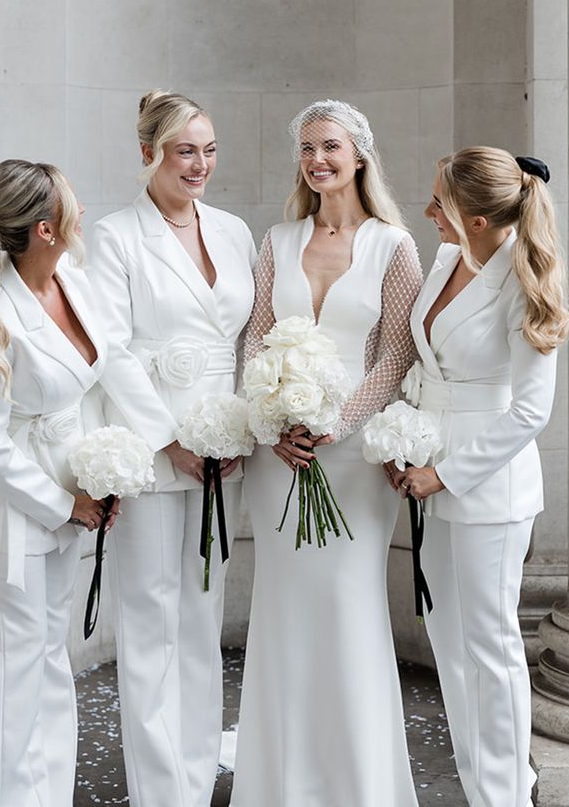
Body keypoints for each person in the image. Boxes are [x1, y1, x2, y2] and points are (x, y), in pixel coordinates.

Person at [0, 159, 175, 807]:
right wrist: (66, 502)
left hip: (70, 502)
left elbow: (104, 370)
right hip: (4, 512)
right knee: (14, 677)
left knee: (49, 665)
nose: (84, 213)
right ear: (44, 228)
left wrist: (115, 465)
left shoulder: (72, 277)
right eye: (72, 205)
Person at [230, 99, 423, 807]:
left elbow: (397, 351)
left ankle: (357, 785)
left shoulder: (393, 245)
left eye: (330, 146)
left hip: (349, 457)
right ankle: (280, 784)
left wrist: (334, 420)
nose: (317, 160)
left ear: (359, 155)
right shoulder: (277, 240)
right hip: (279, 455)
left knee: (347, 605)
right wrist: (273, 413)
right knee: (283, 607)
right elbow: (254, 336)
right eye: (307, 148)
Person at [87, 91, 256, 807]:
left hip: (228, 447)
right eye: (186, 150)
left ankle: (193, 776)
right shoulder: (115, 236)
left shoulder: (234, 230)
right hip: (156, 447)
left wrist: (247, 423)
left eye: (210, 149)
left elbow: (250, 338)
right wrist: (169, 438)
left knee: (201, 619)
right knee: (152, 619)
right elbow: (111, 350)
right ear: (148, 152)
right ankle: (160, 793)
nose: (201, 164)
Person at [392, 146, 569, 807]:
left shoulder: (524, 280)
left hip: (487, 487)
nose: (428, 210)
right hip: (426, 469)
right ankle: (480, 786)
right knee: (449, 643)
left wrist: (446, 473)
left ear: (472, 216)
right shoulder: (446, 258)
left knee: (489, 647)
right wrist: (403, 433)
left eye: (439, 200)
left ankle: (506, 795)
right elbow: (429, 363)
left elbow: (531, 410)